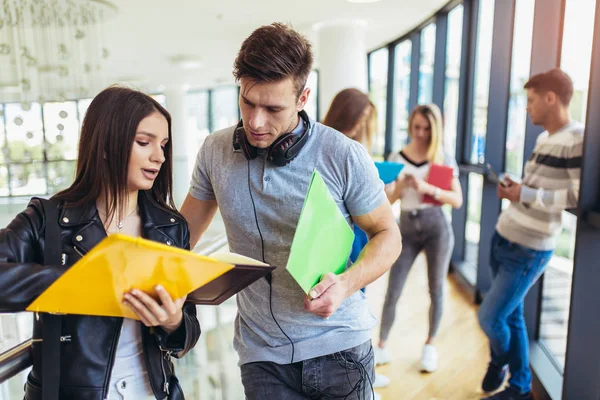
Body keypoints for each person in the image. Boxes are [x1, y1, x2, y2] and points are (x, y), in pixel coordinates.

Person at [180, 23, 401, 400]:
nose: (255, 121)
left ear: (303, 98)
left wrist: (346, 285)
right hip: (261, 356)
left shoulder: (343, 154)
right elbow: (181, 236)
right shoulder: (214, 151)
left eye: (273, 108)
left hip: (340, 348)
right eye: (248, 102)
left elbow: (388, 235)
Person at [0, 86, 200, 400]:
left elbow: (188, 332)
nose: (159, 156)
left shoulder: (171, 228)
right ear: (107, 145)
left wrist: (173, 322)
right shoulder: (47, 219)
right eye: (144, 142)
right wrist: (81, 281)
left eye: (163, 145)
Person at [478, 69, 583, 400]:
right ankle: (521, 389)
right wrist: (516, 189)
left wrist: (522, 194)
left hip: (529, 250)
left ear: (550, 98)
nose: (528, 108)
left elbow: (577, 197)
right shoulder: (545, 138)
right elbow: (538, 188)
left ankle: (500, 363)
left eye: (531, 100)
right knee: (514, 317)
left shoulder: (576, 139)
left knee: (491, 318)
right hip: (505, 238)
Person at [375, 103, 463, 373]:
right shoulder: (396, 156)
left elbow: (457, 200)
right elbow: (385, 201)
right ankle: (382, 345)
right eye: (416, 127)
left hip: (437, 227)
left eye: (427, 128)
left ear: (434, 129)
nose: (421, 133)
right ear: (410, 125)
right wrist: (401, 187)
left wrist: (428, 188)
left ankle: (430, 345)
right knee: (394, 288)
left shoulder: (442, 157)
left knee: (435, 288)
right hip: (407, 228)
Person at [322, 88, 390, 392]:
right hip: (344, 237)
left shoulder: (337, 148)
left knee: (353, 295)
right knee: (349, 295)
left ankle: (365, 365)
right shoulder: (341, 150)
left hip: (352, 234)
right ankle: (362, 369)